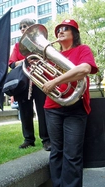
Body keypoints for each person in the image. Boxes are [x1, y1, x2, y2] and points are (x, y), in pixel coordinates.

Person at [41, 19, 98, 187]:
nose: (60, 31)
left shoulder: (83, 49)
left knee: (72, 153)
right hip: (52, 108)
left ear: (75, 33)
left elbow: (84, 70)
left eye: (66, 29)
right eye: (58, 29)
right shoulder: (49, 55)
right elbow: (41, 77)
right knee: (56, 151)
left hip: (76, 108)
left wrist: (55, 81)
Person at [9, 18, 51, 151]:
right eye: (20, 27)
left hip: (40, 79)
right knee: (25, 111)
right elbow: (11, 63)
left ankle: (47, 139)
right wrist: (26, 61)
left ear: (33, 28)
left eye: (25, 26)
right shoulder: (17, 46)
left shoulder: (42, 43)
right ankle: (28, 139)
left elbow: (49, 60)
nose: (22, 28)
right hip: (23, 82)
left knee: (43, 110)